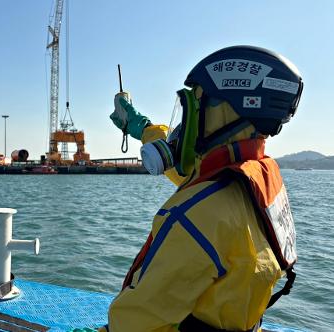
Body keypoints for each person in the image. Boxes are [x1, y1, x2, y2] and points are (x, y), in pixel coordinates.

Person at [104, 46, 303, 331]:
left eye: (192, 111)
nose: (185, 125)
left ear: (220, 115)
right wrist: (140, 126)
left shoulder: (196, 218)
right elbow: (196, 169)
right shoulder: (254, 180)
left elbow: (134, 324)